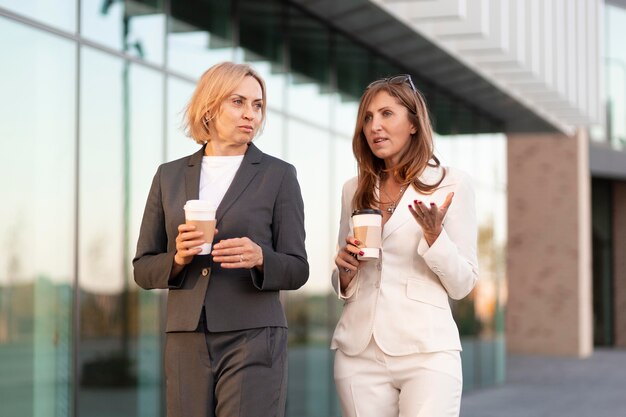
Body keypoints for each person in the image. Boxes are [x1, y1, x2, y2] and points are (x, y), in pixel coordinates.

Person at [133, 61, 309, 417]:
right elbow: (143, 268)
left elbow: (298, 268)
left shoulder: (279, 175)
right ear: (210, 108)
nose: (251, 114)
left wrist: (261, 257)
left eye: (257, 105)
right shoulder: (168, 176)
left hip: (255, 337)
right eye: (238, 102)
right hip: (186, 337)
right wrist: (178, 258)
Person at [331, 74, 478, 417]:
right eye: (367, 117)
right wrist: (345, 274)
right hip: (359, 352)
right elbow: (345, 271)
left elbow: (463, 284)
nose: (374, 126)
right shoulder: (353, 189)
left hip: (426, 352)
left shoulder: (451, 184)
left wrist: (435, 237)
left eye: (386, 114)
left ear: (413, 122)